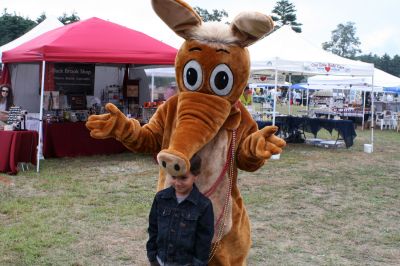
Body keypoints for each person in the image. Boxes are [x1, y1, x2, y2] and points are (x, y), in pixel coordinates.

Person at [146, 154, 214, 266]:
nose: (177, 183)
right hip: (160, 261)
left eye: (183, 178)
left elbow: (204, 241)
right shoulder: (160, 198)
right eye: (173, 177)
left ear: (195, 175)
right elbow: (153, 228)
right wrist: (152, 257)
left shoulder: (204, 205)